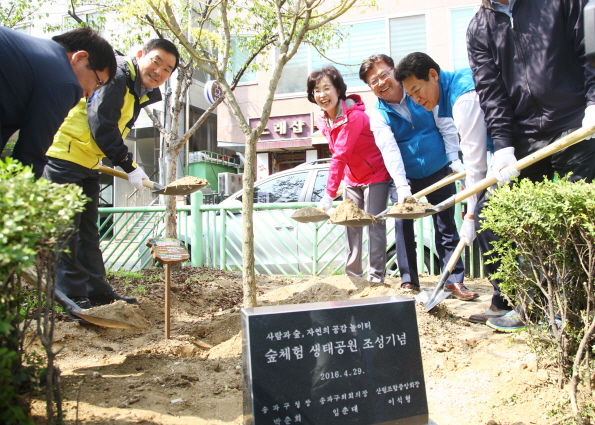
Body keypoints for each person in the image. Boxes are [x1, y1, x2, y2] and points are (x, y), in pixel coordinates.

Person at [466, 0, 595, 331]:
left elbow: (590, 47)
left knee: (575, 216)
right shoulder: (479, 29)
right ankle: (529, 303)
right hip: (524, 136)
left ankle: (573, 311)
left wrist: (594, 102)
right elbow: (491, 93)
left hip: (575, 121)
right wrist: (503, 146)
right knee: (490, 216)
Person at [43, 39, 180, 315]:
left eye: (167, 69)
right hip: (64, 156)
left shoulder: (135, 88)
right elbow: (101, 123)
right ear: (140, 54)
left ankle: (97, 290)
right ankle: (72, 295)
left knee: (87, 231)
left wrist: (126, 164)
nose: (159, 72)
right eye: (156, 61)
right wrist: (129, 165)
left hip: (87, 161)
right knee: (67, 231)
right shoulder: (117, 75)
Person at [359, 54, 478, 300]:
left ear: (394, 72)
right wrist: (402, 187)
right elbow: (389, 151)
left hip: (438, 168)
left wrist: (453, 157)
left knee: (446, 224)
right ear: (370, 88)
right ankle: (409, 281)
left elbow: (444, 123)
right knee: (403, 226)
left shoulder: (418, 91)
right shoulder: (379, 115)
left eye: (383, 75)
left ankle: (453, 280)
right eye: (373, 81)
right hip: (406, 176)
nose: (381, 82)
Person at [395, 52, 493, 252]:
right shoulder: (457, 84)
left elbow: (476, 165)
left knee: (486, 219)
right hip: (505, 154)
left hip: (519, 151)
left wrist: (471, 216)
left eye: (416, 90)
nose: (415, 100)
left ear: (433, 75)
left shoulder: (463, 99)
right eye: (410, 95)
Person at [308, 66, 392, 283]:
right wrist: (340, 182)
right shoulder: (323, 120)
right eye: (317, 90)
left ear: (338, 90)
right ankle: (354, 276)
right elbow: (339, 154)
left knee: (374, 225)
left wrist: (328, 195)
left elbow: (340, 155)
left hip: (375, 174)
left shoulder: (354, 117)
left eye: (327, 88)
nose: (322, 95)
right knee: (351, 224)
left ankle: (376, 277)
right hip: (352, 179)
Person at [0, 26, 117, 178]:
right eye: (97, 83)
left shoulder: (35, 54)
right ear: (80, 57)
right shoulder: (65, 82)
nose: (89, 93)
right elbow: (32, 152)